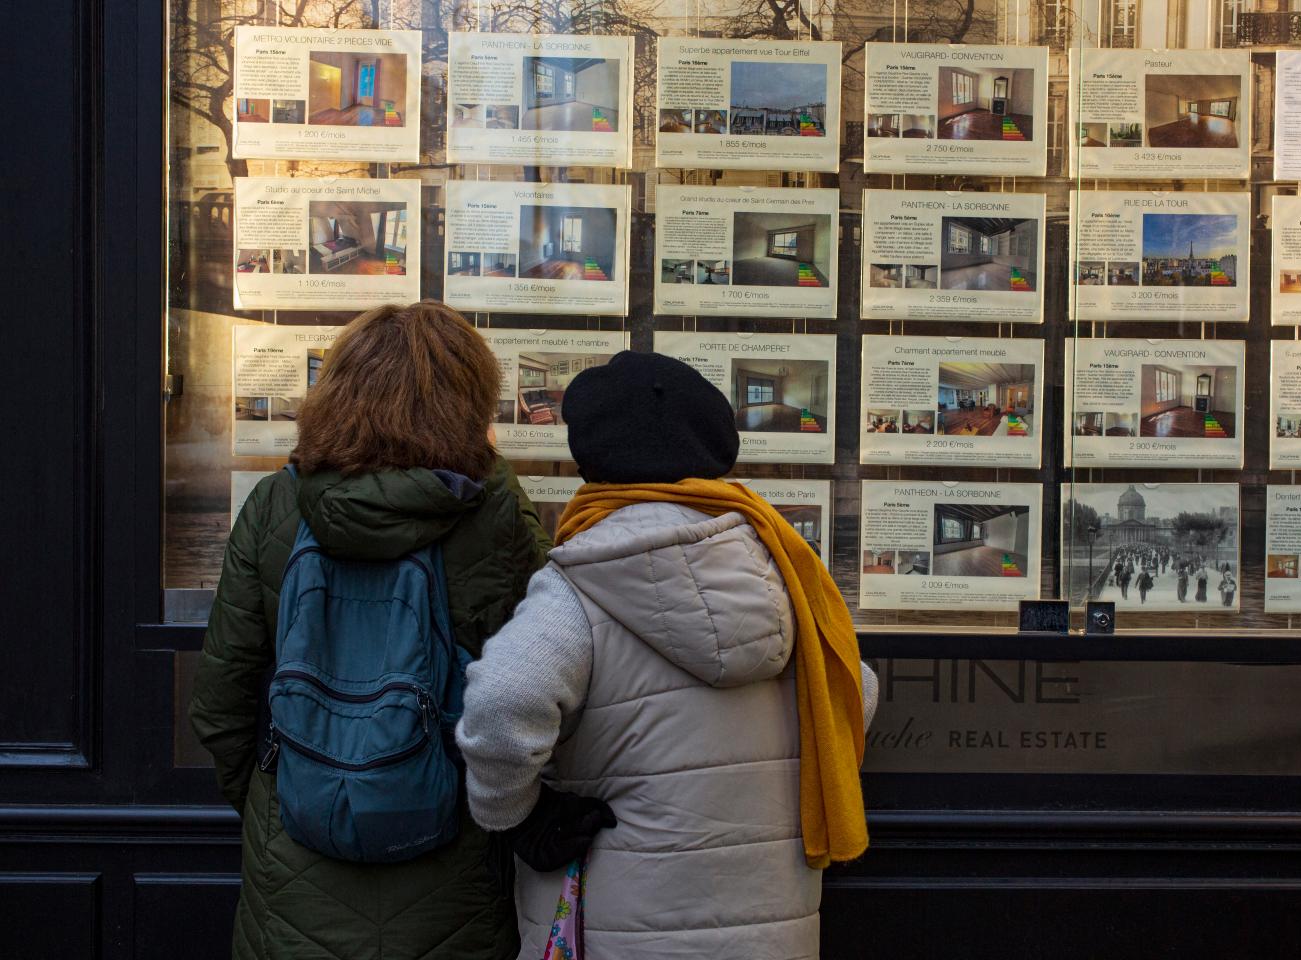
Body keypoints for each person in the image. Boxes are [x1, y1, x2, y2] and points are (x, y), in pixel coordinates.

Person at [457, 351, 879, 959]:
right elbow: (853, 693)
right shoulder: (784, 567)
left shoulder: (582, 578)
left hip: (622, 927)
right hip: (769, 927)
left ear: (591, 457)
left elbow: (503, 702)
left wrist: (519, 815)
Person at [189, 302, 551, 960]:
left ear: (338, 392)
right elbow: (533, 696)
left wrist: (278, 794)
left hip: (293, 869)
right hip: (456, 870)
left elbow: (221, 702)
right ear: (471, 399)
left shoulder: (277, 507)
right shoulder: (495, 513)